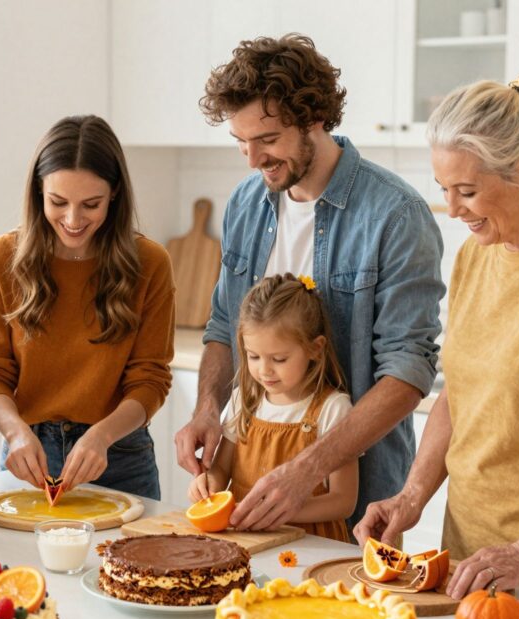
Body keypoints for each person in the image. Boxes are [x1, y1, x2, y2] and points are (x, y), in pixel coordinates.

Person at [355, 74, 519, 597]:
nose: (452, 210)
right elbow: (458, 396)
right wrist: (410, 498)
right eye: (444, 190)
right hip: (469, 561)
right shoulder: (475, 255)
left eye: (468, 191)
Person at [175, 34, 445, 532]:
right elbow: (221, 324)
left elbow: (408, 372)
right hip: (254, 508)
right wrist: (209, 408)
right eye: (241, 143)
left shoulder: (395, 215)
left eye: (268, 140)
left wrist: (309, 468)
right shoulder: (245, 204)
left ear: (314, 118)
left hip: (359, 513)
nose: (254, 160)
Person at [0, 115, 174, 498]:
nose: (74, 220)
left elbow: (150, 378)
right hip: (28, 453)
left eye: (91, 204)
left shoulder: (150, 263)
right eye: (58, 202)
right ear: (37, 192)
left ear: (114, 193)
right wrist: (15, 433)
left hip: (120, 453)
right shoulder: (2, 258)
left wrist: (102, 435)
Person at [188, 274, 357, 541]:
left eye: (279, 358)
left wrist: (280, 510)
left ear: (315, 349)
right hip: (246, 540)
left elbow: (343, 500)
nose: (264, 370)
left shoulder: (333, 409)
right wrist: (209, 485)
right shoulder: (243, 400)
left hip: (311, 545)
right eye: (253, 356)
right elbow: (222, 469)